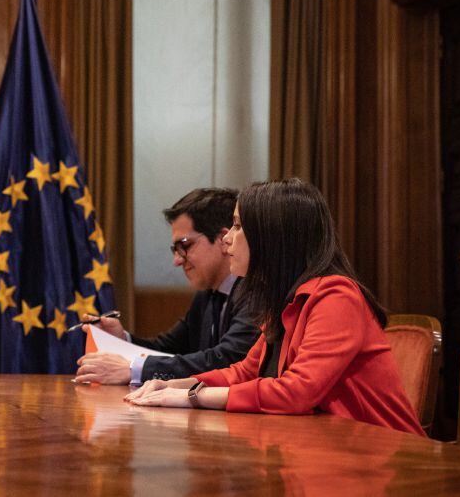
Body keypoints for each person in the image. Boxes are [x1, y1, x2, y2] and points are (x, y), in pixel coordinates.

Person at [125, 178, 424, 436]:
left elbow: (297, 392)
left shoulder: (336, 296)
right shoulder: (285, 301)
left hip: (385, 463)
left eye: (238, 226)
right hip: (327, 451)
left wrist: (194, 396)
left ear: (272, 237)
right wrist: (177, 385)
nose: (227, 238)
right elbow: (244, 372)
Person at [75, 188, 259, 384]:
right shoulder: (206, 295)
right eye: (175, 249)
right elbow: (169, 349)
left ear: (223, 239)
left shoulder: (257, 291)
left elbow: (227, 359)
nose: (177, 261)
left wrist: (135, 369)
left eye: (185, 246)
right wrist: (122, 339)